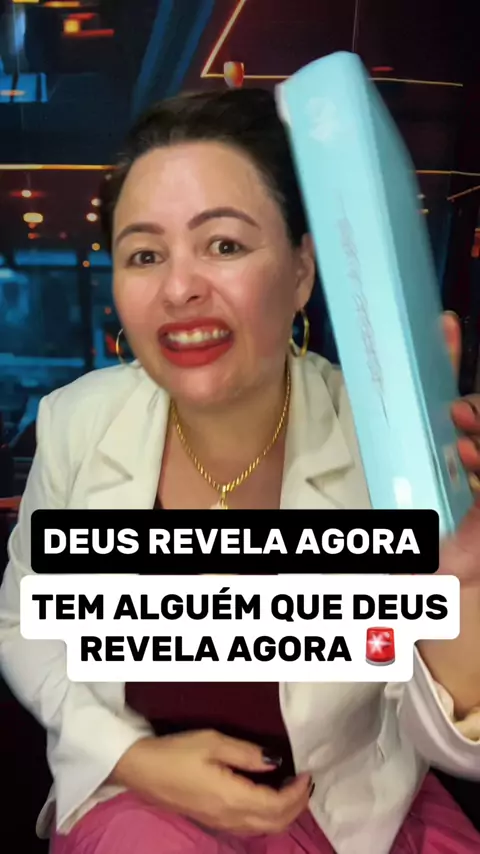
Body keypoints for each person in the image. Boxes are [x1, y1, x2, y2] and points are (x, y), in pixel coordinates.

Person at [0, 88, 479, 854]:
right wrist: (132, 758)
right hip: (139, 805)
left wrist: (461, 589)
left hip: (347, 810)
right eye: (144, 255)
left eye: (223, 245)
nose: (179, 287)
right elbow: (25, 625)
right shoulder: (75, 423)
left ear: (301, 271)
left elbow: (451, 740)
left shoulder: (378, 442)